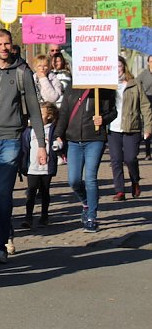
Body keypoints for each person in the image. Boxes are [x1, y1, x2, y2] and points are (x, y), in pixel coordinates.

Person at [0, 28, 46, 264]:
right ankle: (6, 232)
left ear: (12, 45)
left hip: (11, 139)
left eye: (7, 44)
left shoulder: (23, 72)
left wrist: (41, 145)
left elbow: (34, 110)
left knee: (3, 193)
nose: (4, 48)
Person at [53, 83, 116, 232]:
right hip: (73, 140)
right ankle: (86, 203)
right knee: (73, 180)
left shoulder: (104, 88)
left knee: (90, 178)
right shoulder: (71, 87)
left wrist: (103, 119)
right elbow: (64, 113)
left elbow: (113, 112)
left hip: (95, 139)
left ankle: (91, 217)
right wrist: (58, 135)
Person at [107, 56, 152, 200]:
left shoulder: (134, 84)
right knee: (116, 159)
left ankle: (135, 180)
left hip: (132, 127)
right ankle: (119, 190)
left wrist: (148, 127)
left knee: (130, 158)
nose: (117, 70)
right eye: (114, 67)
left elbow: (145, 106)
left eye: (119, 66)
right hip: (113, 128)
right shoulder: (107, 85)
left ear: (124, 67)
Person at [20, 103, 59, 229]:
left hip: (46, 167)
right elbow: (25, 148)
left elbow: (58, 143)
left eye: (41, 114)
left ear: (49, 116)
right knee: (31, 191)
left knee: (44, 191)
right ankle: (28, 216)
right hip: (32, 167)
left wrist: (57, 146)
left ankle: (44, 216)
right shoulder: (29, 131)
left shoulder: (52, 129)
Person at [135, 55, 152, 160]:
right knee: (147, 126)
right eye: (151, 61)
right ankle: (147, 153)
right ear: (147, 62)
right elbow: (136, 84)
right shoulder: (143, 74)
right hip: (147, 101)